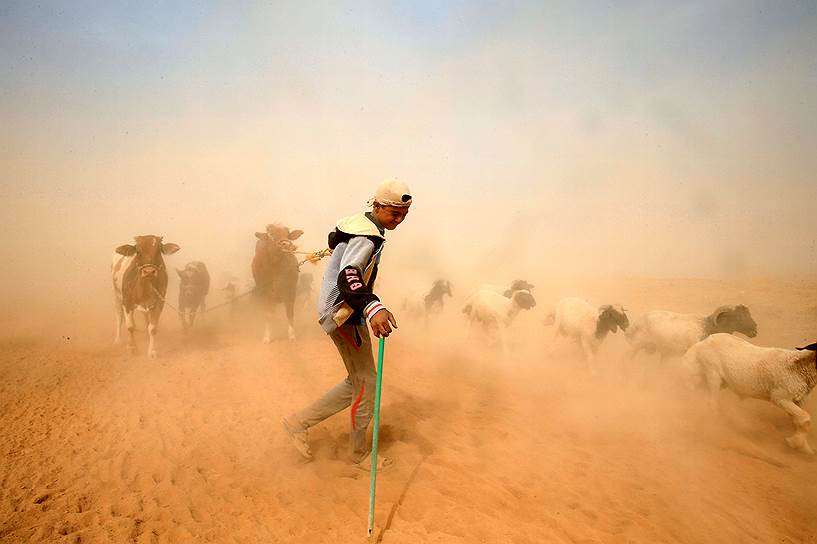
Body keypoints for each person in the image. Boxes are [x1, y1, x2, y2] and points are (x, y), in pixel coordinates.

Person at [282, 178, 412, 468]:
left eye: (404, 214)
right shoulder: (367, 237)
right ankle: (358, 453)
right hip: (344, 312)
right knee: (367, 382)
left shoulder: (362, 226)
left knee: (358, 381)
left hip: (343, 311)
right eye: (394, 213)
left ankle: (297, 422)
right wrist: (373, 307)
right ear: (377, 206)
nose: (399, 219)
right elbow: (348, 275)